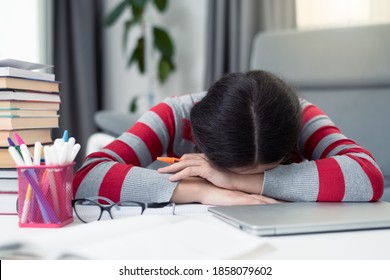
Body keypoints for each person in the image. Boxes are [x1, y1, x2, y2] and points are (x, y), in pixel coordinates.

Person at [73, 70, 384, 205]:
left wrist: (236, 182)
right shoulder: (174, 115)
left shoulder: (301, 116)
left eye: (267, 169)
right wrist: (202, 191)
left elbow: (368, 176)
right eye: (228, 172)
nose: (234, 181)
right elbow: (88, 175)